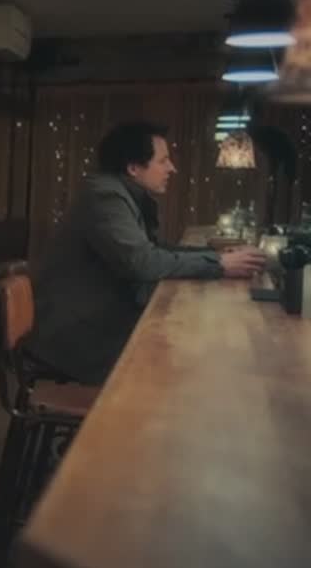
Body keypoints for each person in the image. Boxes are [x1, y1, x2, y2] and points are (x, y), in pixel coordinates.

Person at [28, 121, 267, 385]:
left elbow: (153, 250)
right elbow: (142, 262)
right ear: (133, 168)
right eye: (163, 161)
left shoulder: (117, 192)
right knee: (187, 359)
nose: (172, 168)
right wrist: (219, 263)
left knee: (189, 341)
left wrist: (215, 253)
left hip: (95, 323)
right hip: (76, 337)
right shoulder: (105, 196)